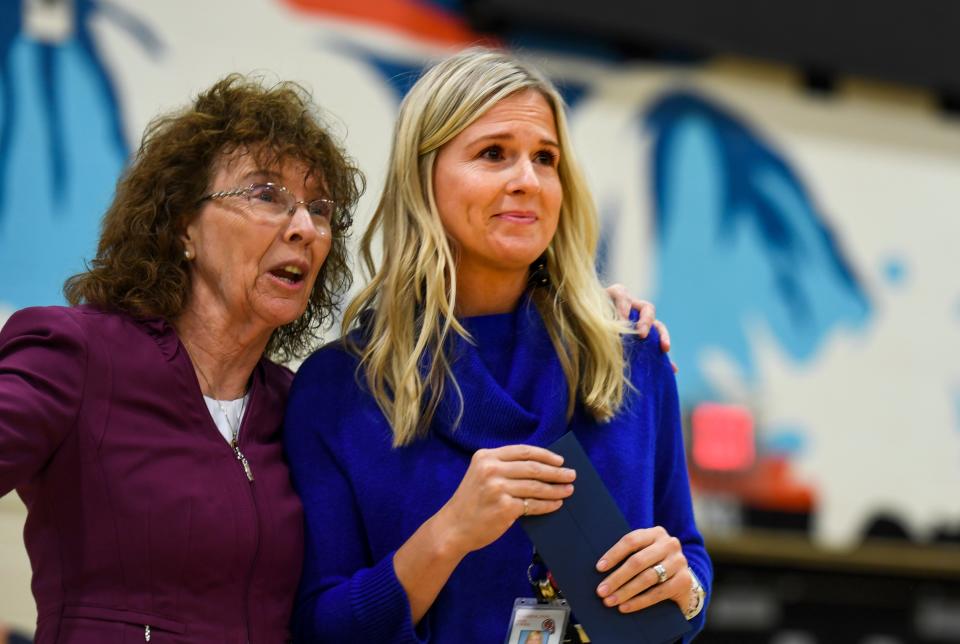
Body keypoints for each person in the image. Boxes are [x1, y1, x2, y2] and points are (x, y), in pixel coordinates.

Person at [284, 48, 711, 644]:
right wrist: (448, 533)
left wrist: (684, 591)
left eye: (545, 158)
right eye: (493, 154)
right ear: (424, 177)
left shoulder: (631, 357)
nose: (527, 182)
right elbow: (320, 627)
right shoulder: (337, 390)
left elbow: (687, 555)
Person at [0, 74, 362, 642]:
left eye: (318, 209)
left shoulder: (302, 406)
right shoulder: (76, 355)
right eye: (266, 194)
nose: (303, 229)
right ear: (182, 226)